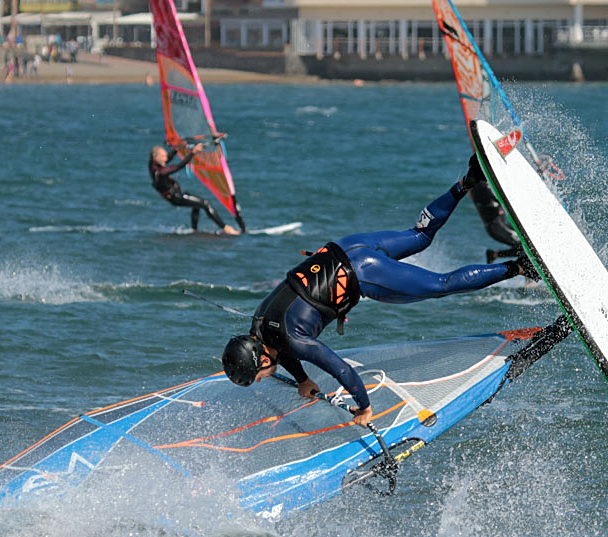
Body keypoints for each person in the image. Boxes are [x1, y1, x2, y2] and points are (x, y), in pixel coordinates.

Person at [221, 155, 539, 427]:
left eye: (257, 375)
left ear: (261, 358)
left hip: (364, 273)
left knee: (441, 285)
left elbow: (340, 368)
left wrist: (364, 407)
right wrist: (303, 380)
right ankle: (467, 182)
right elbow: (284, 348)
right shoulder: (260, 323)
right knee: (419, 235)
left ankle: (520, 267)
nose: (261, 380)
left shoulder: (292, 339)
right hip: (347, 246)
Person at [149, 144, 241, 235]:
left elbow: (167, 159)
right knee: (206, 204)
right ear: (155, 157)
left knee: (196, 205)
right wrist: (193, 152)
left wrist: (176, 149)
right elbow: (179, 166)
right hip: (177, 197)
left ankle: (194, 230)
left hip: (175, 195)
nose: (166, 158)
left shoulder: (152, 164)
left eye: (165, 155)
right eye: (163, 156)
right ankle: (225, 228)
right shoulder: (161, 172)